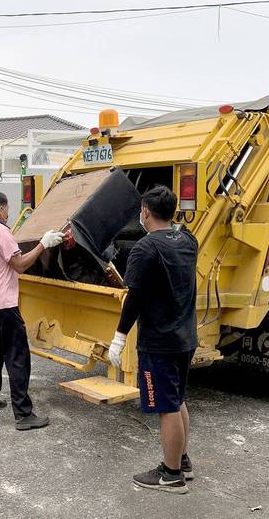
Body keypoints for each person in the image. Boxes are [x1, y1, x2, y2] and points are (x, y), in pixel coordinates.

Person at [108, 185, 198, 494]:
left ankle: (172, 475)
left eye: (141, 210)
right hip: (185, 336)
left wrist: (119, 338)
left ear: (146, 212)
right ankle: (181, 459)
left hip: (159, 341)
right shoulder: (188, 240)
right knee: (176, 398)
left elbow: (134, 299)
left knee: (166, 406)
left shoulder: (145, 249)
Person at [0, 190, 64, 431]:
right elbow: (20, 265)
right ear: (1, 209)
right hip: (3, 305)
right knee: (17, 357)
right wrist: (43, 244)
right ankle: (23, 414)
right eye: (7, 209)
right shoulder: (2, 232)